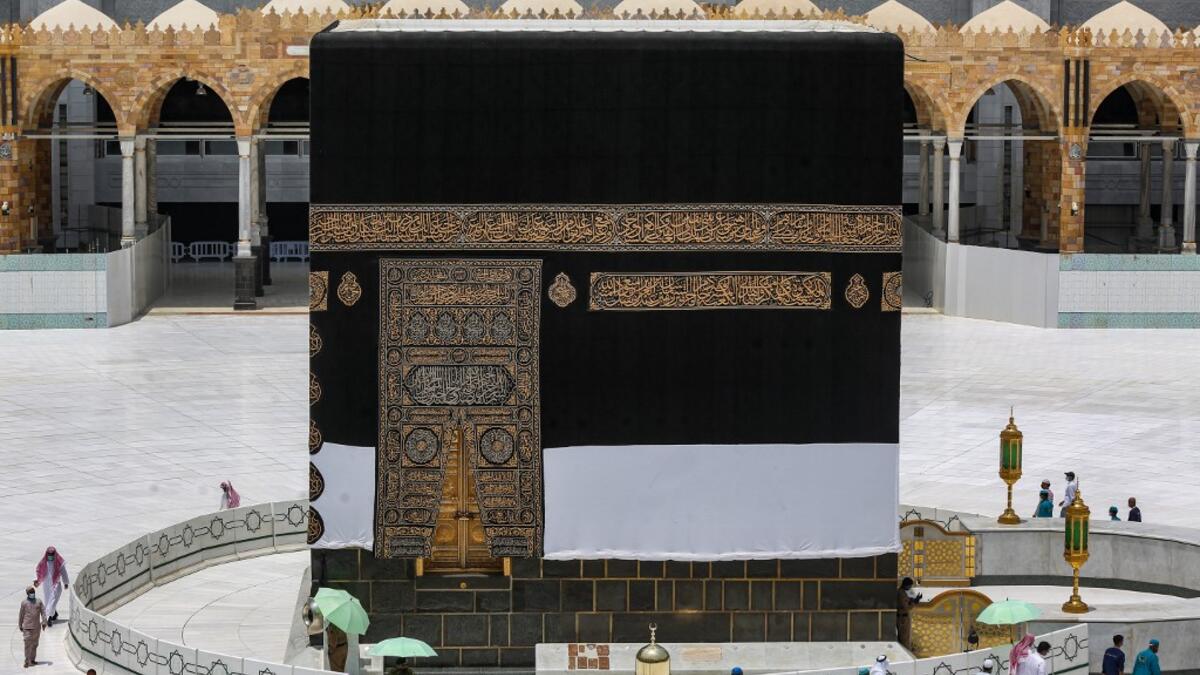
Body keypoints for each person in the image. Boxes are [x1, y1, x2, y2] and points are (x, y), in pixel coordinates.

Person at [34, 546, 69, 626]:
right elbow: (39, 571)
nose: (50, 556)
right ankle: (54, 614)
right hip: (46, 585)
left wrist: (65, 582)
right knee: (48, 601)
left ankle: (49, 617)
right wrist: (37, 581)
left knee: (52, 600)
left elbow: (64, 573)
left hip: (56, 584)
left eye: (51, 555)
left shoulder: (59, 562)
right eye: (49, 554)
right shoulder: (43, 562)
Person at [19, 585, 46, 668]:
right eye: (30, 592)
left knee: (35, 644)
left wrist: (44, 622)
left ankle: (32, 659)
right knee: (27, 644)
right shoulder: (24, 603)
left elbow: (43, 612)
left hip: (36, 627)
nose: (32, 593)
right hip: (27, 627)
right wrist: (20, 624)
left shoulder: (39, 601)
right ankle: (27, 661)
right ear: (27, 593)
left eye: (33, 592)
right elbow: (21, 614)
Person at [896, 577, 921, 649]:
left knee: (905, 637)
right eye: (910, 585)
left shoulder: (901, 592)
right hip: (903, 619)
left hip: (903, 618)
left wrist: (913, 599)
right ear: (906, 585)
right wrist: (915, 602)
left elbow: (906, 601)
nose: (910, 587)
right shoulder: (901, 593)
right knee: (904, 638)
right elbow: (906, 608)